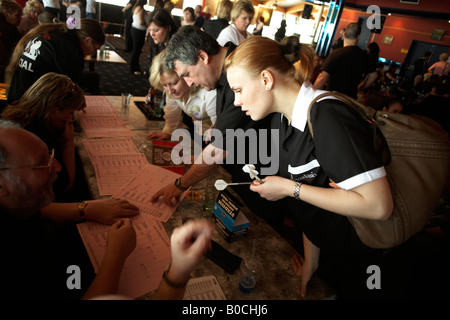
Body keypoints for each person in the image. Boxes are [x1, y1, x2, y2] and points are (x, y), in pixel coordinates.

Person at [223, 36, 408, 299]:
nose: (236, 101)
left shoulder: (327, 115)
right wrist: (312, 259)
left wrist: (288, 188)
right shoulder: (284, 121)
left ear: (266, 79)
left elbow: (378, 205)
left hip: (362, 259)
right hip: (328, 254)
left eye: (238, 90)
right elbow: (316, 194)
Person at [0, 120, 215, 299]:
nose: (56, 166)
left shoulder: (14, 206)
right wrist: (117, 254)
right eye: (41, 163)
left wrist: (85, 208)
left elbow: (40, 212)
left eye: (50, 154)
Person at [150, 26, 282, 232]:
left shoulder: (239, 72)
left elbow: (218, 151)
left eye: (187, 74)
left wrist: (180, 184)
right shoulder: (225, 70)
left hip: (270, 177)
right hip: (249, 171)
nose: (189, 82)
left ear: (202, 56)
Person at [5, 18, 105, 105]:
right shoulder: (72, 52)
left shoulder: (59, 35)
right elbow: (67, 93)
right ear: (87, 40)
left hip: (16, 96)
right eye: (95, 49)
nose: (93, 53)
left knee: (91, 78)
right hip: (28, 106)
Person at [147, 49, 216, 141]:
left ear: (185, 75)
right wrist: (167, 132)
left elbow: (223, 130)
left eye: (174, 83)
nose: (170, 91)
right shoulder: (171, 90)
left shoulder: (208, 91)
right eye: (164, 85)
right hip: (199, 133)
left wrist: (207, 154)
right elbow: (172, 112)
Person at [313, 22, 377, 99]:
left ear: (343, 35)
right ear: (358, 37)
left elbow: (322, 79)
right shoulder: (365, 56)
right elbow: (373, 76)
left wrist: (312, 93)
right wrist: (360, 87)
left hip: (332, 97)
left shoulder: (336, 54)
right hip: (350, 99)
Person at [145, 8, 178, 76]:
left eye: (156, 30)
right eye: (150, 30)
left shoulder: (178, 47)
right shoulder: (159, 42)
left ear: (168, 28)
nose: (151, 34)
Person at [0, 0, 22, 82]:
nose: (20, 19)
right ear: (6, 13)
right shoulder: (6, 29)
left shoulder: (9, 26)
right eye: (17, 15)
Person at [129, 0, 147, 75]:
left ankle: (135, 67)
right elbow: (141, 22)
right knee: (137, 50)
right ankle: (134, 68)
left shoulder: (137, 7)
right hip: (138, 31)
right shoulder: (140, 9)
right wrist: (149, 22)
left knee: (136, 50)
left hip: (136, 30)